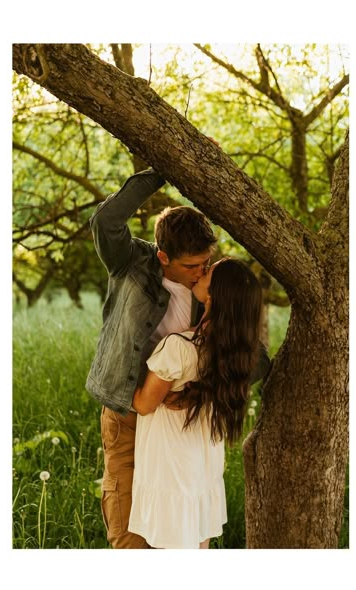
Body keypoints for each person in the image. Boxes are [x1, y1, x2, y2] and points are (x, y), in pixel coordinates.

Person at [86, 167, 270, 549]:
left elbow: (249, 359)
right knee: (130, 537)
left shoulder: (210, 291)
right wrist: (166, 170)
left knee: (179, 536)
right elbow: (106, 220)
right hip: (130, 416)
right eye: (192, 267)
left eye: (206, 264)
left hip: (177, 429)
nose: (202, 272)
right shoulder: (131, 263)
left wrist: (201, 389)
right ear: (164, 256)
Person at [128, 258, 264, 549]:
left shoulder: (178, 347)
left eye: (208, 272)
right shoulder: (235, 352)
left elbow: (142, 403)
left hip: (171, 471)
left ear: (213, 295)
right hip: (203, 470)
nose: (201, 273)